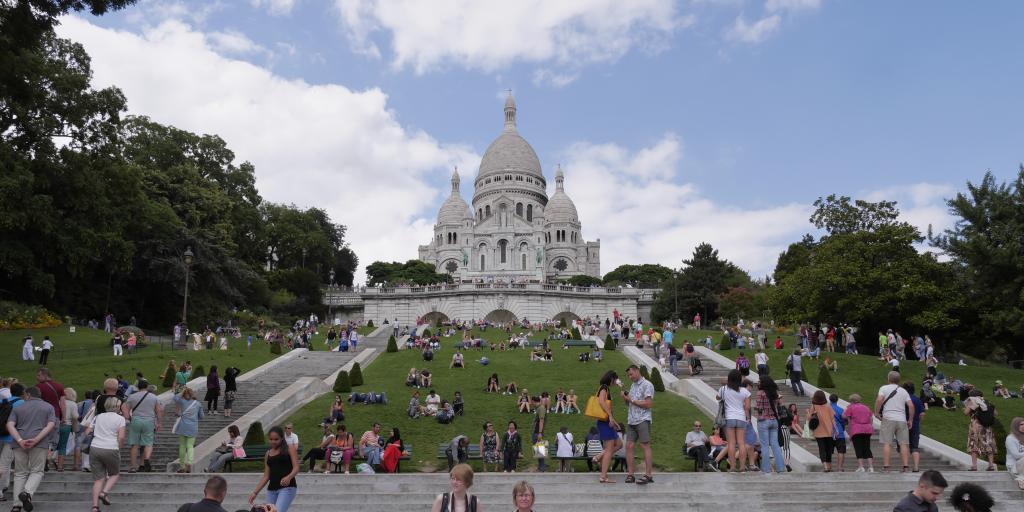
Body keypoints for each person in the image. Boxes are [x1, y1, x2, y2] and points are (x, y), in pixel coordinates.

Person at [6, 386, 56, 512]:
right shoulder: (49, 407)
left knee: (20, 473)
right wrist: (37, 439)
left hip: (19, 444)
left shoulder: (17, 407)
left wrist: (20, 440)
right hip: (39, 443)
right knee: (37, 471)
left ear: (28, 395)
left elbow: (10, 424)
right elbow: (50, 425)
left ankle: (16, 506)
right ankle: (27, 493)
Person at [86, 395, 125, 511]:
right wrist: (119, 447)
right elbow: (122, 437)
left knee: (98, 479)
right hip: (111, 447)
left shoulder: (97, 417)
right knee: (115, 474)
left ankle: (95, 506)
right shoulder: (120, 419)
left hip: (95, 447)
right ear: (117, 406)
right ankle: (104, 493)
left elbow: (87, 432)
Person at [250, 426, 299, 512]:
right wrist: (255, 492)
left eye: (276, 439)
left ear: (282, 438)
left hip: (287, 488)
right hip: (271, 490)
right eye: (271, 439)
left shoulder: (290, 448)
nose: (273, 441)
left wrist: (288, 477)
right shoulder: (268, 453)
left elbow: (296, 468)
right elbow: (266, 476)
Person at [876, 370, 914, 472]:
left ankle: (886, 466)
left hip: (888, 418)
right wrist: (910, 419)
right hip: (901, 419)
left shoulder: (883, 388)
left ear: (888, 379)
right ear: (898, 380)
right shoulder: (904, 391)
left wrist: (877, 413)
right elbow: (911, 405)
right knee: (903, 444)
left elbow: (879, 400)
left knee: (887, 443)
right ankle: (905, 466)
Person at [622, 364, 654, 484]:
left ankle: (648, 474)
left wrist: (631, 400)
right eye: (628, 375)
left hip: (643, 419)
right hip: (631, 420)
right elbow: (630, 403)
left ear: (637, 371)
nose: (630, 377)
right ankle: (630, 474)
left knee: (645, 445)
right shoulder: (633, 385)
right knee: (629, 446)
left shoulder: (647, 385)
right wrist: (626, 399)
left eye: (631, 374)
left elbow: (648, 404)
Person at [717, 369, 751, 472]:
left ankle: (732, 467)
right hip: (741, 418)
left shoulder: (723, 389)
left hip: (729, 417)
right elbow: (747, 407)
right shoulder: (745, 391)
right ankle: (742, 466)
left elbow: (718, 398)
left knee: (731, 443)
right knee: (741, 443)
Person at [125, 381, 161, 473]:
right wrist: (158, 423)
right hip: (149, 421)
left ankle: (133, 466)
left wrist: (129, 418)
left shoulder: (132, 397)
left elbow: (126, 409)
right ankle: (145, 461)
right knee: (148, 443)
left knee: (135, 444)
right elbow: (158, 411)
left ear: (137, 387)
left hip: (136, 420)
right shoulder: (153, 397)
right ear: (147, 386)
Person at [595, 370, 622, 483]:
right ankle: (603, 476)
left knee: (619, 444)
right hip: (604, 422)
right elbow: (601, 402)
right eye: (615, 379)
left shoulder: (605, 388)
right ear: (611, 378)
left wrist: (613, 420)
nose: (616, 381)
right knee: (609, 449)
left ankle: (600, 456)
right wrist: (610, 416)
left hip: (607, 422)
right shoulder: (604, 388)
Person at [756, 378, 786, 474]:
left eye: (760, 381)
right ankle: (780, 468)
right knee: (775, 445)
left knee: (764, 446)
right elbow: (778, 404)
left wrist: (757, 410)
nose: (758, 382)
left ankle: (766, 469)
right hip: (774, 420)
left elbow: (759, 407)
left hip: (764, 420)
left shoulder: (760, 393)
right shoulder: (774, 393)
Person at [173, 387, 205, 473]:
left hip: (183, 427)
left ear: (184, 394)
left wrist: (182, 392)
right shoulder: (198, 404)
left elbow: (174, 397)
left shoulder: (182, 402)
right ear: (192, 394)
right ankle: (189, 462)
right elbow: (202, 416)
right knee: (190, 446)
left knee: (182, 446)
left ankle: (182, 466)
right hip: (193, 427)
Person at [964, 389, 998, 471]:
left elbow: (966, 412)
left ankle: (974, 466)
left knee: (974, 444)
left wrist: (968, 407)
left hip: (975, 426)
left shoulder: (972, 400)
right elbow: (996, 413)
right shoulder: (987, 402)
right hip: (987, 427)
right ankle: (991, 465)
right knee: (988, 444)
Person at [843, 393, 876, 472]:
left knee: (858, 448)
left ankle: (861, 467)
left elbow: (844, 416)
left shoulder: (851, 407)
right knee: (867, 447)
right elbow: (871, 418)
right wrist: (870, 426)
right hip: (867, 429)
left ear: (852, 401)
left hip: (856, 429)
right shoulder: (866, 407)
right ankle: (871, 467)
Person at [807, 390, 836, 472]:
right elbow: (833, 419)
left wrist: (808, 413)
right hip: (829, 431)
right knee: (828, 450)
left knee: (822, 449)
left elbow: (809, 419)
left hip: (818, 432)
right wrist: (836, 430)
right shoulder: (828, 406)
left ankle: (825, 467)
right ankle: (830, 466)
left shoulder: (814, 407)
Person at [902, 382, 925, 472]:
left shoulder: (903, 400)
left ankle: (905, 466)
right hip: (915, 426)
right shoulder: (917, 399)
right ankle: (916, 467)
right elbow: (922, 413)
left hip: (903, 425)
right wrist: (918, 421)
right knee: (915, 447)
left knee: (904, 446)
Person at [55, 387, 79, 472]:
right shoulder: (73, 404)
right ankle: (60, 467)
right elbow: (75, 416)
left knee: (52, 445)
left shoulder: (58, 402)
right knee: (62, 446)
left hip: (55, 425)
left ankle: (48, 461)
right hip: (67, 426)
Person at [828, 393, 847, 472]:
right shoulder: (841, 409)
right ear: (837, 400)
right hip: (839, 433)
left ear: (829, 399)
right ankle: (840, 468)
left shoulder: (827, 409)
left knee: (828, 451)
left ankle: (829, 467)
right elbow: (844, 421)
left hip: (828, 432)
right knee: (841, 451)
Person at [1008, 416, 1024, 490]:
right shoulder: (1010, 438)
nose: (1023, 426)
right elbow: (1016, 455)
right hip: (1014, 465)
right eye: (1021, 424)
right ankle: (1020, 479)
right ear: (1015, 426)